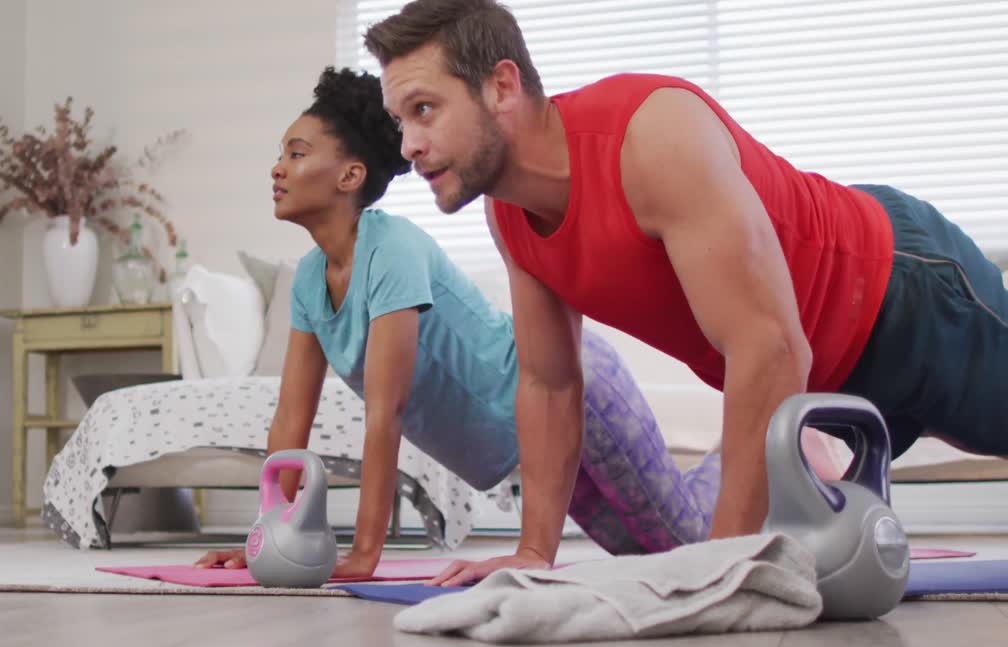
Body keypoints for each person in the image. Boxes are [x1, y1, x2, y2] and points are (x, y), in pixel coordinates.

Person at [363, 0, 1008, 585]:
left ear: (501, 86)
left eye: (424, 110)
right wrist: (534, 553)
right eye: (400, 121)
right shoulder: (509, 214)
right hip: (823, 386)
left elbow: (770, 348)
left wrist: (719, 565)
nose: (409, 146)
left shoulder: (650, 136)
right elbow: (550, 383)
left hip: (904, 291)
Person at [194, 66, 743, 582]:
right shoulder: (310, 280)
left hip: (577, 391)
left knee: (686, 545)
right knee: (651, 560)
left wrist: (364, 553)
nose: (277, 168)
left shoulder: (392, 250)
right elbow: (291, 420)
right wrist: (264, 540)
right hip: (528, 441)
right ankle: (749, 463)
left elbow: (386, 413)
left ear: (349, 175)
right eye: (281, 155)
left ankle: (760, 445)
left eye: (296, 153)